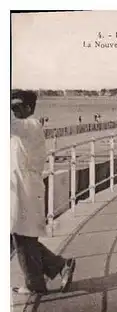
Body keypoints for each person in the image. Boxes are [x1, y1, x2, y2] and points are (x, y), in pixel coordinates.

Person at [11, 90, 76, 295]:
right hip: (19, 187)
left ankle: (41, 280)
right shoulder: (19, 131)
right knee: (23, 236)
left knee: (23, 236)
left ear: (29, 108)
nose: (12, 110)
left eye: (16, 106)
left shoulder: (31, 125)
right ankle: (54, 269)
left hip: (28, 189)